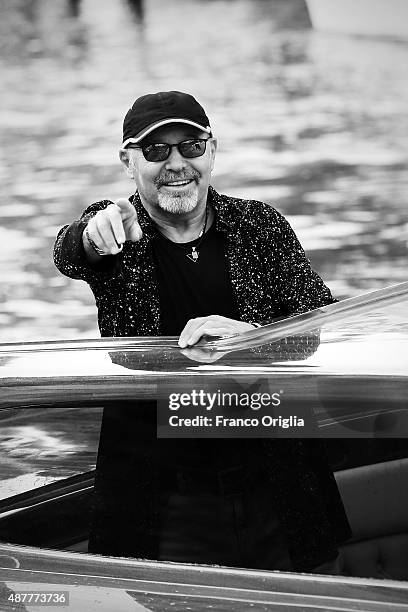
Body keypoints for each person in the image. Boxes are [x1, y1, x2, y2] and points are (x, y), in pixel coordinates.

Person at [54, 90, 351, 573]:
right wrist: (93, 234)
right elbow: (71, 252)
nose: (176, 164)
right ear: (128, 160)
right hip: (167, 501)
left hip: (277, 484)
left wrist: (253, 340)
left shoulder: (260, 225)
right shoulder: (118, 233)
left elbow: (323, 329)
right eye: (156, 151)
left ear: (212, 150)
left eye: (190, 147)